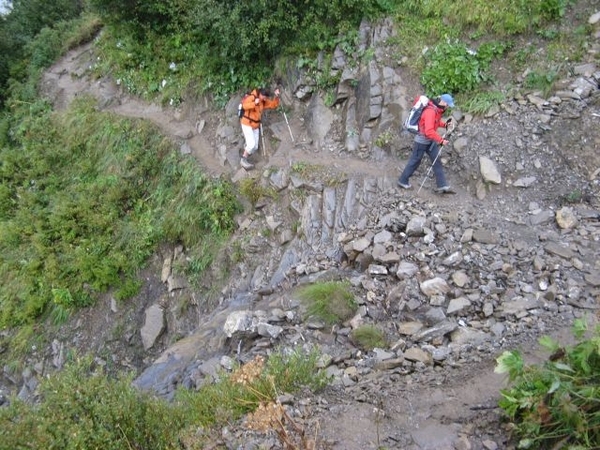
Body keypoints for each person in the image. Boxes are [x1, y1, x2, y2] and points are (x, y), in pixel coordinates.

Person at [397, 93, 455, 192]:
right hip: (422, 141)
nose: (448, 107)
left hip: (430, 140)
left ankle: (442, 185)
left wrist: (445, 125)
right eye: (448, 104)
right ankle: (403, 181)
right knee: (415, 161)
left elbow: (435, 123)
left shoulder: (436, 109)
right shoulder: (430, 111)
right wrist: (440, 140)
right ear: (444, 102)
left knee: (436, 160)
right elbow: (429, 131)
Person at [239, 87, 280, 169]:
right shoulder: (251, 97)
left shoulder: (263, 101)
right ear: (260, 94)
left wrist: (276, 97)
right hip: (247, 123)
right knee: (251, 145)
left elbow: (273, 105)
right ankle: (243, 160)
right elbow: (244, 106)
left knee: (255, 147)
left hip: (255, 125)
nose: (265, 98)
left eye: (266, 97)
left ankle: (246, 147)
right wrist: (254, 103)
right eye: (264, 96)